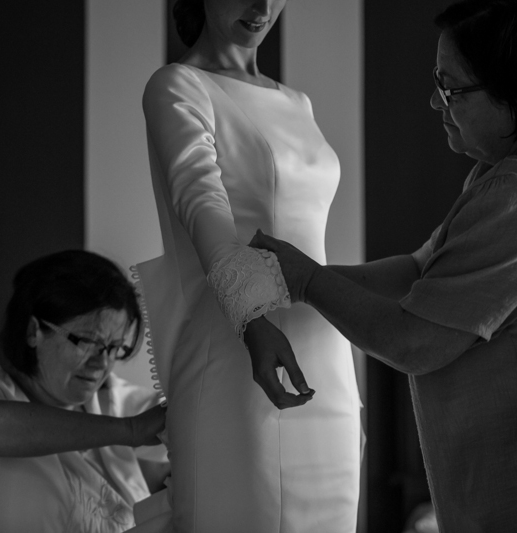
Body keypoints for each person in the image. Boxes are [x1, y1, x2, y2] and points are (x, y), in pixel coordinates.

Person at [250, 0, 517, 530]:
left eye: (451, 88)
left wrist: (308, 280)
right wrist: (292, 281)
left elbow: (412, 342)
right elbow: (421, 272)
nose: (434, 101)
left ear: (515, 92)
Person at [132, 0, 362, 531]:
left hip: (326, 357)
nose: (262, 6)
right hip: (237, 352)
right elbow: (200, 200)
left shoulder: (298, 102)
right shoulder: (177, 85)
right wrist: (252, 316)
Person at [0, 250, 169, 533]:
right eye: (87, 342)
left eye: (114, 347)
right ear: (33, 331)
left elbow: (193, 413)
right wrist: (130, 431)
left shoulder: (112, 400)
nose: (102, 363)